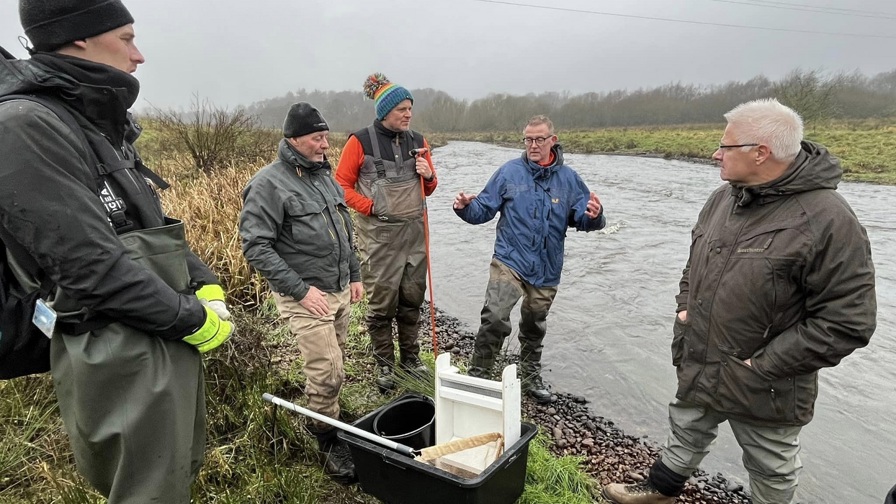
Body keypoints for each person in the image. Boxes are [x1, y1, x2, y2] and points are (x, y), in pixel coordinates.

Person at [0, 1, 235, 502]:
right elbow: (89, 267)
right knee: (145, 491)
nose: (140, 55)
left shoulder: (92, 116)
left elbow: (145, 218)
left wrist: (202, 277)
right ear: (79, 37)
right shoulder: (25, 124)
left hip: (156, 329)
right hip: (118, 341)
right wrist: (191, 319)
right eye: (127, 38)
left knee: (173, 478)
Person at [602, 98, 876, 504]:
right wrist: (685, 309)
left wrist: (762, 365)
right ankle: (660, 489)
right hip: (701, 354)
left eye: (724, 145)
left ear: (760, 153)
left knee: (771, 464)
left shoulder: (827, 220)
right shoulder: (723, 199)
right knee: (687, 424)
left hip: (766, 382)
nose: (715, 153)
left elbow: (849, 320)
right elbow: (693, 264)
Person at [240, 103, 363, 484]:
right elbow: (256, 246)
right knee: (327, 371)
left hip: (339, 289)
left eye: (326, 136)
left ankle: (331, 412)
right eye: (317, 137)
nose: (326, 144)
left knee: (336, 361)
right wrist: (300, 290)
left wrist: (355, 274)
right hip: (304, 296)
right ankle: (326, 439)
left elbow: (345, 229)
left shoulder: (324, 176)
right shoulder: (268, 184)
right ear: (294, 139)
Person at [453, 115, 605, 403]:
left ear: (553, 141)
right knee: (495, 316)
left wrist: (595, 217)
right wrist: (464, 208)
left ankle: (529, 375)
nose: (533, 145)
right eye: (528, 139)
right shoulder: (509, 173)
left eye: (539, 139)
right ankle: (479, 374)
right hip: (509, 260)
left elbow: (582, 216)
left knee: (535, 324)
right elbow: (483, 209)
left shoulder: (569, 179)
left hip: (547, 267)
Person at [335, 73, 437, 391]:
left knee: (412, 299)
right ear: (385, 112)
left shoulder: (419, 142)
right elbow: (340, 186)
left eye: (410, 109)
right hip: (378, 238)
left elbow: (429, 189)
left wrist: (430, 175)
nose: (408, 114)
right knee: (381, 305)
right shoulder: (359, 141)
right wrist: (370, 207)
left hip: (415, 236)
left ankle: (411, 359)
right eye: (402, 109)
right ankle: (384, 366)